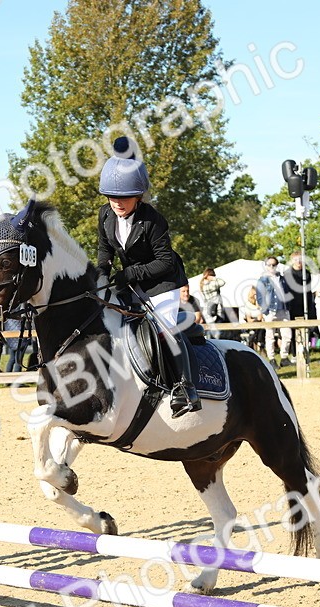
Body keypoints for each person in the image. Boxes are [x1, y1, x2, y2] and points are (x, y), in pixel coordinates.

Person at [95, 137, 199, 416]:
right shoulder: (105, 214)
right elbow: (104, 251)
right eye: (112, 196)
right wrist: (101, 277)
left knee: (164, 328)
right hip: (132, 282)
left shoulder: (153, 220)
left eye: (124, 197)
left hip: (162, 282)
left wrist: (130, 272)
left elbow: (165, 262)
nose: (117, 202)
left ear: (138, 196)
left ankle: (184, 388)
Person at [256, 257, 294, 366]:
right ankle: (272, 359)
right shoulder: (262, 280)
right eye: (269, 265)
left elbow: (287, 292)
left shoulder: (282, 278)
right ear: (266, 266)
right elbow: (260, 296)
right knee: (270, 336)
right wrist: (265, 310)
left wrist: (288, 306)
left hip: (283, 309)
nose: (271, 267)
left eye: (274, 265)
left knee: (287, 335)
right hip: (270, 310)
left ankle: (284, 357)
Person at [242, 284, 265, 353]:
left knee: (260, 328)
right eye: (255, 295)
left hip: (260, 324)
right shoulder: (248, 305)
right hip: (252, 324)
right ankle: (259, 344)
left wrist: (258, 307)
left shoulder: (261, 304)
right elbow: (249, 319)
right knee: (258, 328)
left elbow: (260, 317)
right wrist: (256, 320)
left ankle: (257, 343)